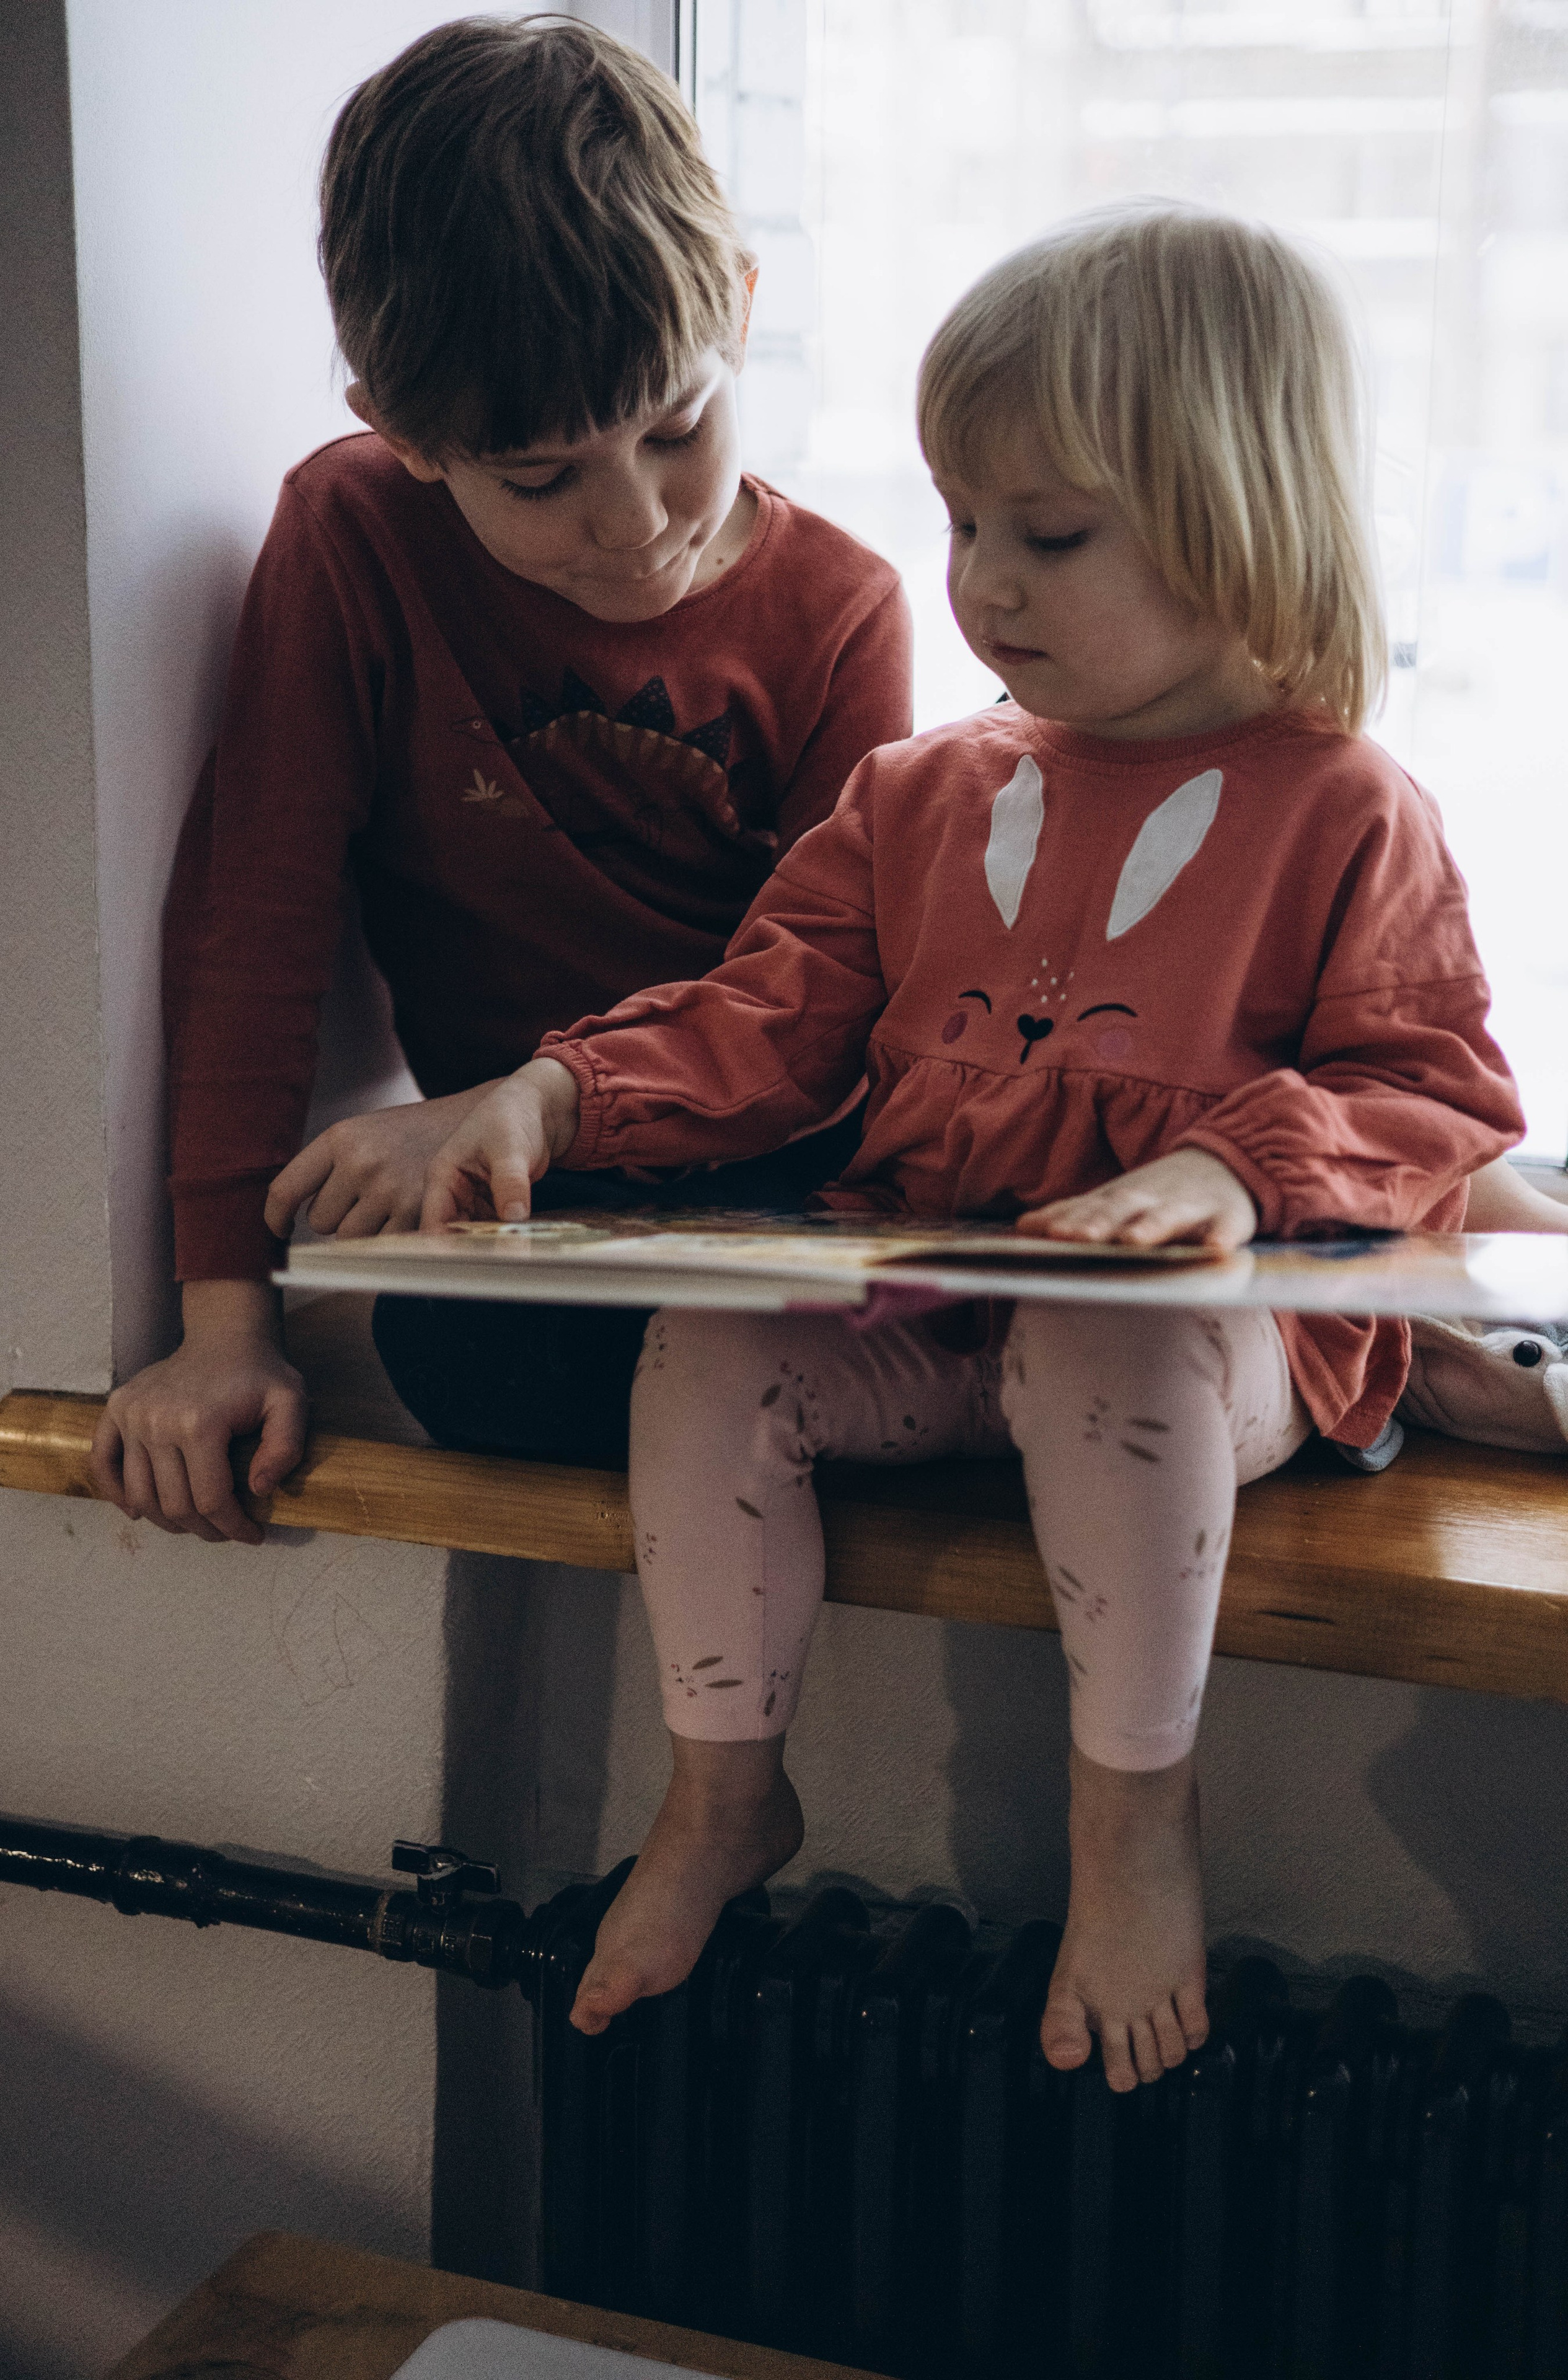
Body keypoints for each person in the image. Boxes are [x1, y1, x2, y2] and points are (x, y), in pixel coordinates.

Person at [415, 205, 1525, 2090]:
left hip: (1209, 1345)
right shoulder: (919, 795)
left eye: (1051, 534)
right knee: (710, 1347)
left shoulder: (1344, 810)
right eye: (960, 522)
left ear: (1237, 516)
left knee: (1114, 1340)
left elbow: (1439, 1095)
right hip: (934, 1292)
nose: (982, 582)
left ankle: (1132, 1830)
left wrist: (1232, 1175)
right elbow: (765, 1014)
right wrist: (555, 1095)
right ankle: (722, 1794)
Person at [89, 16, 910, 1538]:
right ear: (401, 438)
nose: (635, 522)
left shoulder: (840, 607)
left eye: (677, 429)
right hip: (536, 1212)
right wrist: (223, 1328)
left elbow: (829, 1008)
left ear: (737, 309)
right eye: (540, 480)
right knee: (454, 1354)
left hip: (760, 1154)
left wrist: (541, 1102)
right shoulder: (349, 539)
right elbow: (252, 922)